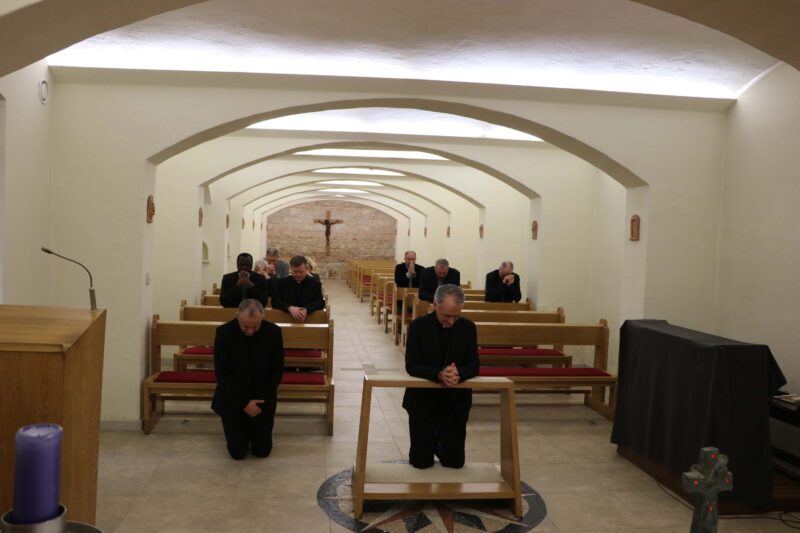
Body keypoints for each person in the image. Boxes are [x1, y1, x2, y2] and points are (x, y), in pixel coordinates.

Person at [403, 284, 479, 469]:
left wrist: (459, 373)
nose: (451, 321)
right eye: (446, 316)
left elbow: (474, 365)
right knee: (421, 463)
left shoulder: (468, 327)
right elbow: (412, 365)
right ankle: (428, 446)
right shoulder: (418, 326)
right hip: (423, 401)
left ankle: (441, 446)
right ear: (434, 305)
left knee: (454, 463)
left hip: (455, 402)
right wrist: (438, 374)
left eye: (456, 316)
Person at [211, 299, 284, 460]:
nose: (250, 331)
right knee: (237, 453)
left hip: (262, 400)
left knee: (262, 451)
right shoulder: (224, 332)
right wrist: (244, 403)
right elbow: (222, 374)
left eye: (255, 327)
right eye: (245, 326)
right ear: (237, 315)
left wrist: (260, 401)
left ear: (263, 317)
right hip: (233, 399)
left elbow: (277, 370)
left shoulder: (273, 332)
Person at [271, 255, 325, 322]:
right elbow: (275, 301)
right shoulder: (282, 283)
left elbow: (320, 302)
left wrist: (306, 309)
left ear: (306, 269)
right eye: (295, 272)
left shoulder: (315, 283)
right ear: (291, 269)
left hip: (309, 321)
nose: (298, 275)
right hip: (285, 321)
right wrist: (289, 307)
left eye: (301, 272)